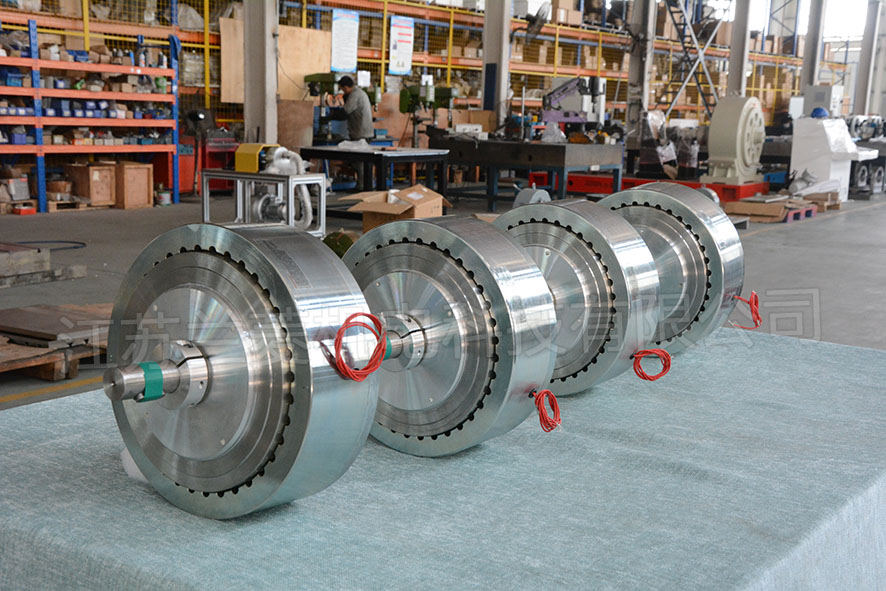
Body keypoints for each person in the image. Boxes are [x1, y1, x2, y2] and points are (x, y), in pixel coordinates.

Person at [331, 76, 375, 141]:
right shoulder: (359, 92)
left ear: (345, 87)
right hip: (364, 134)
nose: (343, 92)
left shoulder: (354, 95)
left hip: (361, 135)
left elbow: (344, 113)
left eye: (342, 89)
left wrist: (330, 116)